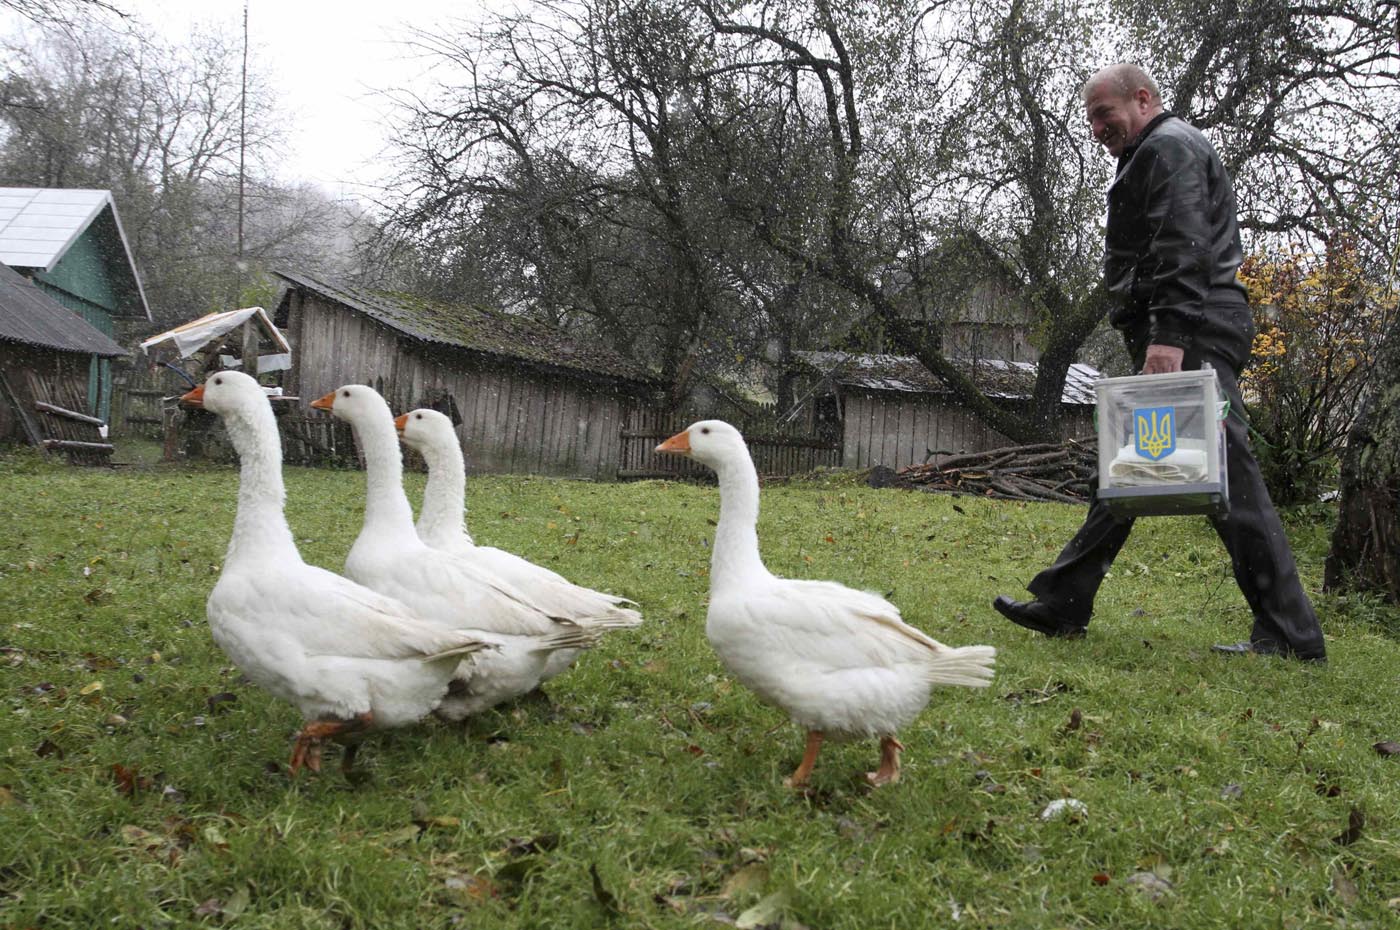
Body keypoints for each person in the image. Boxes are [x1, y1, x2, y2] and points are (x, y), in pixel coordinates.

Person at [992, 63, 1327, 664]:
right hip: (1185, 324)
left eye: (1105, 113)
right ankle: (1066, 599)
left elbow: (1183, 243)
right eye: (1090, 117)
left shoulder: (1168, 146)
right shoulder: (1154, 149)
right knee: (1133, 461)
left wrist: (1167, 338)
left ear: (1142, 99)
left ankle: (1290, 634)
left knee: (1228, 478)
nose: (1096, 127)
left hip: (1192, 328)